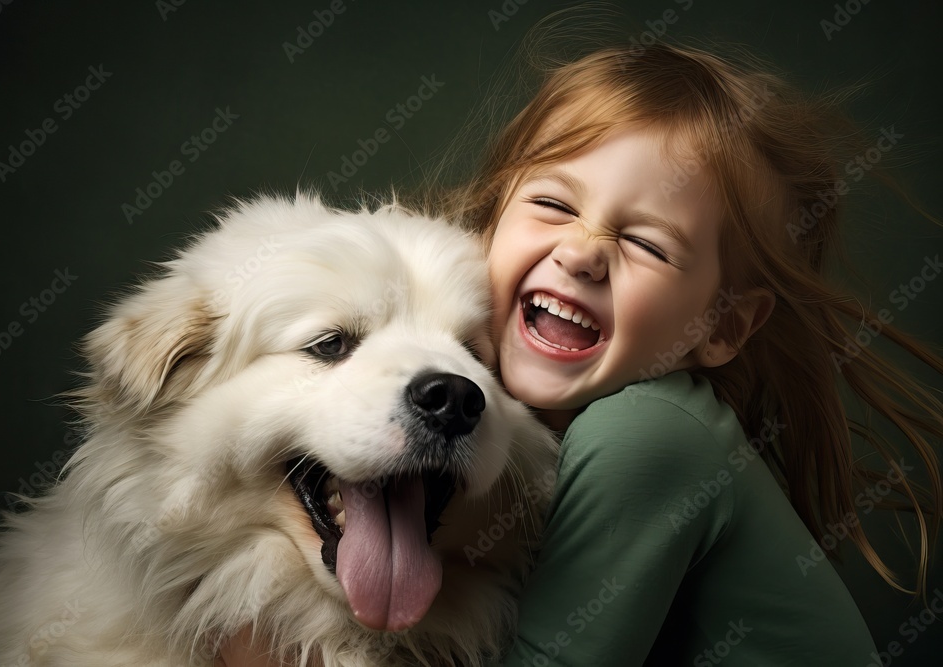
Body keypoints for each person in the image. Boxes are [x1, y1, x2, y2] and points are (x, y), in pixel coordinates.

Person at [218, 39, 943, 666]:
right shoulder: (487, 404)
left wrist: (246, 648)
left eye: (647, 244)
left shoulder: (650, 431)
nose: (583, 253)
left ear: (721, 326)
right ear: (491, 227)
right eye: (554, 206)